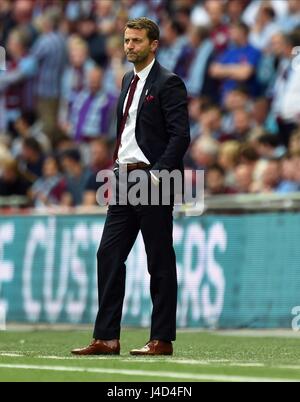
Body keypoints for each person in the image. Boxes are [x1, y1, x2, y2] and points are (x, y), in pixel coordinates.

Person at [72, 17, 190, 356]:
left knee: (159, 260)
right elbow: (127, 131)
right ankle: (107, 337)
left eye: (136, 41)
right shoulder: (128, 79)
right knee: (108, 253)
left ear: (153, 44)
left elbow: (181, 135)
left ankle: (162, 338)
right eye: (126, 40)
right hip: (123, 178)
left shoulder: (169, 83)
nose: (129, 46)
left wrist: (158, 173)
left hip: (152, 179)